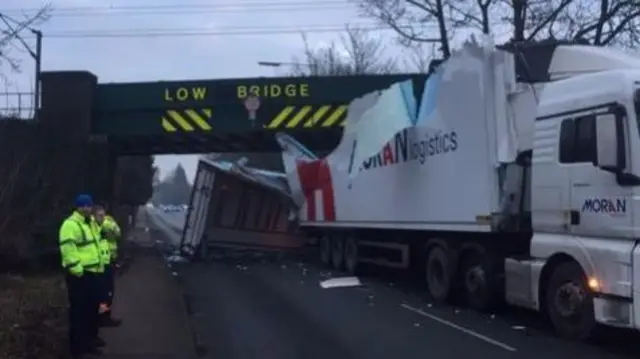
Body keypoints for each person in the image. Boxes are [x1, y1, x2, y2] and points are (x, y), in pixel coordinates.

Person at [58, 194, 105, 358]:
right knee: (79, 313)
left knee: (91, 310)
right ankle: (77, 348)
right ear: (77, 207)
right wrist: (78, 271)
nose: (86, 208)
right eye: (82, 205)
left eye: (88, 205)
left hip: (94, 274)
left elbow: (96, 245)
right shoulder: (70, 225)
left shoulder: (90, 223)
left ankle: (88, 343)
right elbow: (68, 250)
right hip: (80, 276)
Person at [93, 204, 123, 327]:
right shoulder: (91, 225)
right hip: (99, 264)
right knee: (102, 294)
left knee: (108, 293)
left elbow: (117, 232)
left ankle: (105, 316)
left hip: (110, 261)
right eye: (99, 214)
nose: (102, 216)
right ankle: (100, 318)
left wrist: (105, 222)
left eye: (103, 213)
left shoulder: (108, 221)